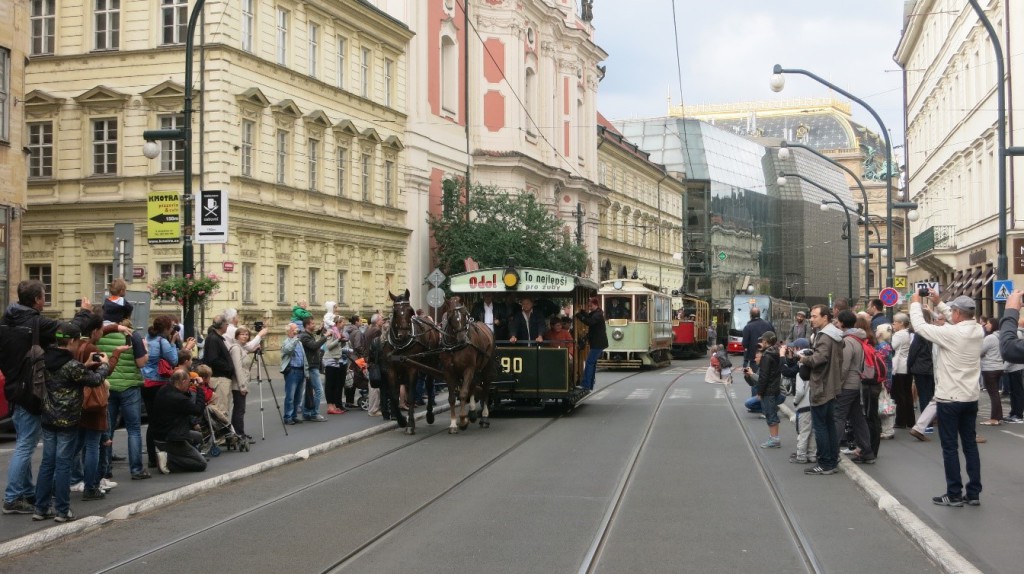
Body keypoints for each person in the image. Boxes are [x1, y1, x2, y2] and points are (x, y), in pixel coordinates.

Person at [2, 281, 92, 515]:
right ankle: (12, 498)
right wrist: (84, 313)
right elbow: (68, 330)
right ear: (36, 300)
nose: (45, 300)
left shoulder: (7, 318)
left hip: (13, 387)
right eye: (44, 296)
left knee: (24, 441)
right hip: (30, 390)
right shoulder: (35, 321)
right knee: (25, 446)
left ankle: (27, 492)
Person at [909, 292, 984, 507]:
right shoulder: (977, 329)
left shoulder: (950, 334)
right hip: (970, 397)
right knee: (970, 445)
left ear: (958, 313)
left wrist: (915, 304)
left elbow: (921, 328)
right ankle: (974, 493)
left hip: (949, 398)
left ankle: (953, 493)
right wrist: (938, 302)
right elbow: (957, 320)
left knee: (950, 447)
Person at [33, 323, 109, 523]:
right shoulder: (72, 365)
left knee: (47, 463)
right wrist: (105, 366)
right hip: (68, 421)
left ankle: (40, 508)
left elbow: (64, 376)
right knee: (64, 464)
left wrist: (85, 366)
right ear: (73, 341)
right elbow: (94, 381)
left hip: (48, 418)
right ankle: (62, 510)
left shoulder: (44, 359)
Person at [96, 286, 150, 481]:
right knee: (133, 429)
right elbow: (141, 362)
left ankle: (105, 470)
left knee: (106, 429)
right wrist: (146, 351)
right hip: (129, 386)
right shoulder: (132, 335)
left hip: (106, 386)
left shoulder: (98, 333)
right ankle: (136, 470)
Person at [141, 315, 194, 469]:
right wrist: (172, 343)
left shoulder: (148, 338)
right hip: (158, 383)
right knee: (162, 420)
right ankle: (164, 455)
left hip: (145, 382)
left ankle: (152, 457)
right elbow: (173, 360)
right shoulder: (162, 341)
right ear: (165, 328)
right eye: (171, 327)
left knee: (152, 421)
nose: (173, 329)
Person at [799, 304, 844, 476]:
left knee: (821, 427)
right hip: (832, 384)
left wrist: (803, 358)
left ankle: (825, 463)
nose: (811, 319)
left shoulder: (825, 336)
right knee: (829, 425)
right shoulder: (835, 335)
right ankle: (832, 459)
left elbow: (819, 359)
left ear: (825, 317)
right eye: (811, 316)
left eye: (815, 316)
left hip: (822, 385)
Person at [835, 310, 875, 464]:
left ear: (843, 323)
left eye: (838, 322)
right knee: (858, 418)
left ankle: (832, 453)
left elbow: (844, 367)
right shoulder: (858, 338)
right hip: (856, 383)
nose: (837, 324)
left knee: (838, 417)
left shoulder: (848, 341)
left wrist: (837, 385)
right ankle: (867, 451)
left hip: (847, 385)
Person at [150, 369, 207, 474]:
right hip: (172, 439)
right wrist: (200, 388)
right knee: (201, 464)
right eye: (189, 382)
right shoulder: (179, 399)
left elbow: (185, 402)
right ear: (184, 381)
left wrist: (188, 389)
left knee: (197, 436)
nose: (190, 385)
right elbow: (198, 410)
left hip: (160, 435)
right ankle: (168, 460)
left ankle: (180, 455)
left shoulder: (164, 389)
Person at [784, 338, 816, 464]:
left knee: (803, 431)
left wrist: (795, 402)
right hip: (815, 403)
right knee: (812, 431)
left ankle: (801, 455)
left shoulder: (800, 374)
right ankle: (812, 455)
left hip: (804, 405)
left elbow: (800, 391)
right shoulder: (815, 369)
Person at [202, 316, 236, 424]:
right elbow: (213, 359)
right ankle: (222, 438)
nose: (227, 327)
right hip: (219, 378)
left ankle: (224, 436)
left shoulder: (216, 337)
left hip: (220, 377)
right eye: (226, 324)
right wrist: (229, 368)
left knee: (222, 408)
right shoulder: (213, 339)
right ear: (221, 325)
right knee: (221, 409)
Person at [997, 294, 1024, 423]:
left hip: (1015, 368)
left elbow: (1008, 349)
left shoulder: (1016, 333)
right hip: (1014, 367)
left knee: (1017, 393)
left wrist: (1011, 311)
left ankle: (1017, 414)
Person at [754, 332, 783, 448]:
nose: (761, 343)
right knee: (773, 413)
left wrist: (760, 392)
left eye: (762, 341)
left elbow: (763, 376)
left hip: (768, 390)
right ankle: (774, 438)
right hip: (775, 387)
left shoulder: (767, 356)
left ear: (766, 341)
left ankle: (774, 439)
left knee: (770, 414)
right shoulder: (775, 352)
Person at [890, 313, 916, 430]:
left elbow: (892, 347)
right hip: (907, 366)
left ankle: (901, 420)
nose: (893, 324)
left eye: (895, 322)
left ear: (901, 323)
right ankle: (910, 420)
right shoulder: (909, 334)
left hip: (899, 366)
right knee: (907, 393)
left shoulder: (898, 335)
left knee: (899, 395)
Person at [577, 296, 608, 392]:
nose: (589, 308)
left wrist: (579, 316)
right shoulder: (597, 313)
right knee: (592, 363)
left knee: (589, 362)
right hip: (597, 343)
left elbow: (589, 321)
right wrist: (582, 312)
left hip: (598, 344)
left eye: (591, 306)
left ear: (596, 305)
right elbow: (589, 316)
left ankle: (586, 384)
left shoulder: (598, 315)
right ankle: (589, 384)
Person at [279, 323, 307, 425]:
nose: (298, 330)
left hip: (301, 370)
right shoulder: (287, 341)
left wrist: (306, 371)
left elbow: (304, 357)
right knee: (290, 396)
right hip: (292, 371)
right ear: (290, 331)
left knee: (298, 396)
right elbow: (288, 350)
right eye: (296, 328)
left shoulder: (299, 342)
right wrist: (295, 338)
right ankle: (288, 416)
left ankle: (294, 415)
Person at [323, 315, 350, 415]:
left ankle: (334, 405)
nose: (344, 324)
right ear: (337, 323)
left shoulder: (338, 332)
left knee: (334, 384)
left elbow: (338, 346)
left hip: (336, 359)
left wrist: (342, 341)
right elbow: (328, 346)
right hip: (330, 359)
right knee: (330, 384)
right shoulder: (332, 331)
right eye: (342, 322)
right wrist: (339, 340)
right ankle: (330, 406)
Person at [980, 317, 1004, 426]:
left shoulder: (990, 338)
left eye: (988, 323)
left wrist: (983, 354)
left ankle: (995, 418)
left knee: (993, 394)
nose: (986, 325)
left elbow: (980, 351)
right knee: (995, 393)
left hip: (989, 368)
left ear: (993, 325)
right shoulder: (1001, 337)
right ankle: (998, 417)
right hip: (999, 366)